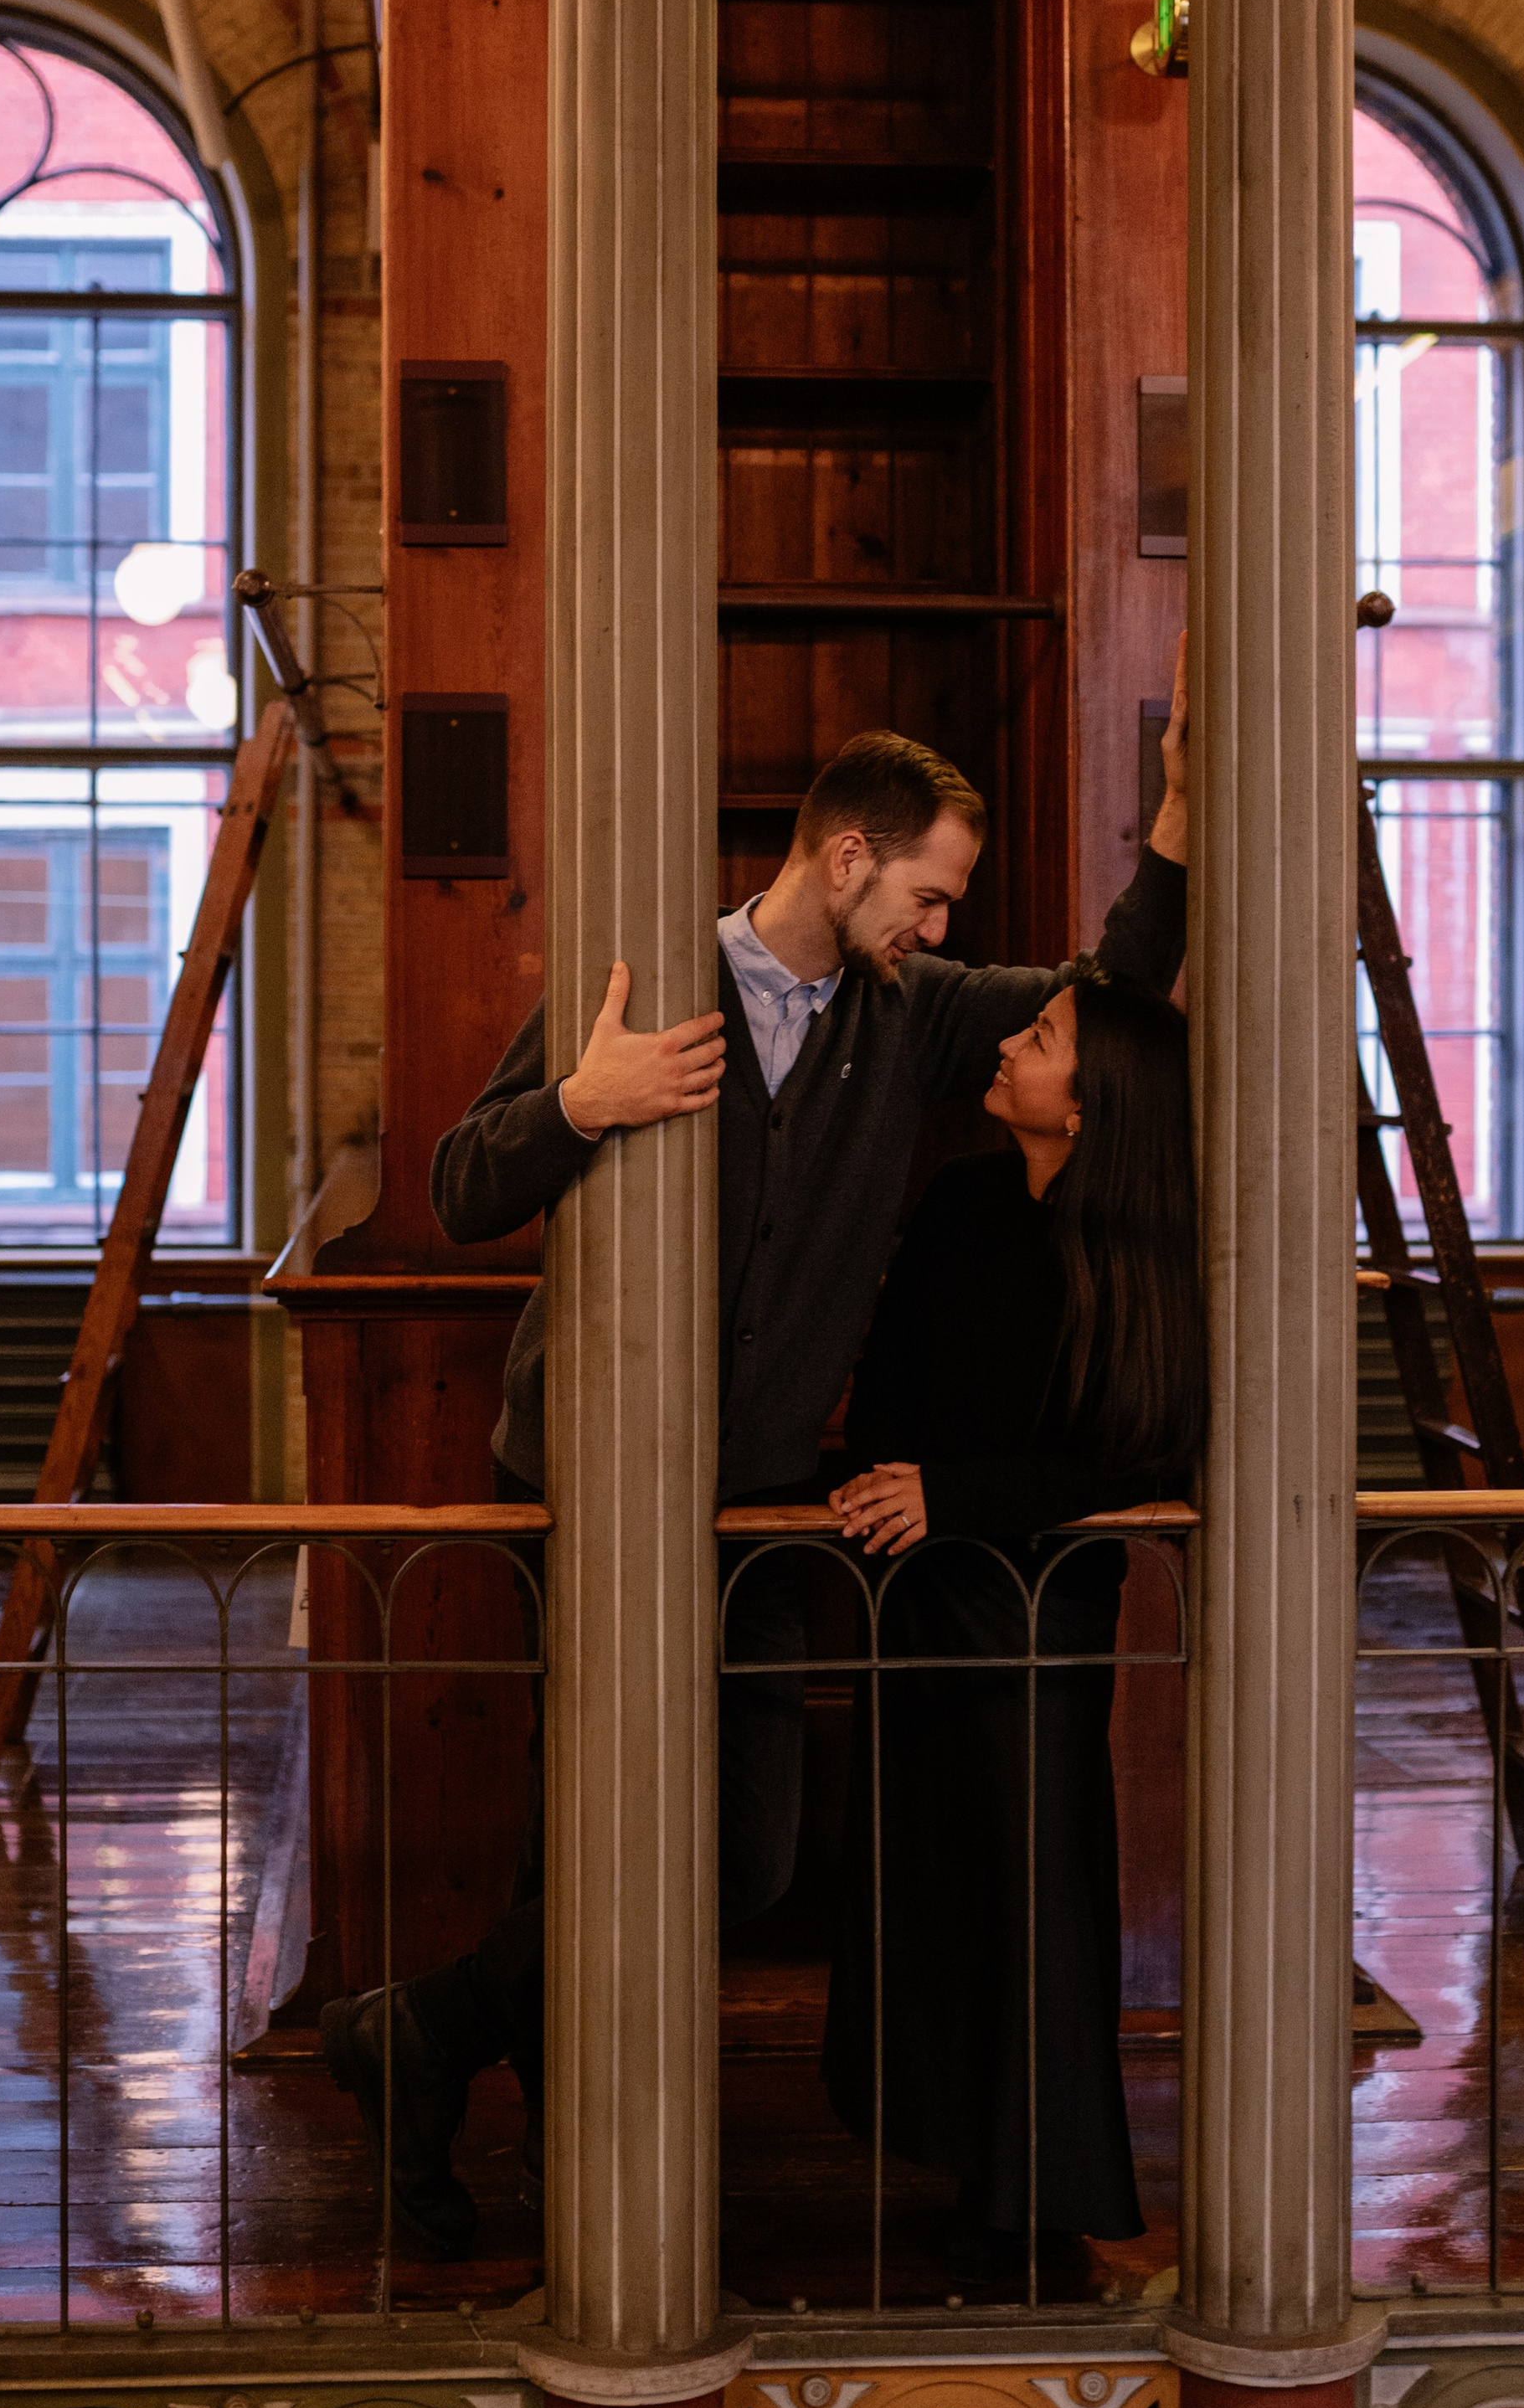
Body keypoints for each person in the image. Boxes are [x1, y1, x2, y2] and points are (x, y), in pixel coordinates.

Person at [320, 659, 1189, 2256]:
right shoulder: (648, 980)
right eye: (931, 892)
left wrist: (1186, 830)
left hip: (754, 1508)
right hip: (585, 1489)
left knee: (741, 1857)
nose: (943, 927)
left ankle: (420, 2033)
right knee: (585, 1839)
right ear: (850, 858)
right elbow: (456, 1183)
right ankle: (544, 2168)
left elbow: (1106, 990)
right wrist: (584, 1099)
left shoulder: (912, 1019)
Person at [825, 967, 1206, 2272]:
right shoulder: (961, 1201)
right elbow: (884, 1397)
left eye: (1038, 1040)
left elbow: (1144, 1453)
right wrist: (904, 1492)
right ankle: (969, 2170)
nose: (1007, 1047)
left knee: (1036, 1892)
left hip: (1042, 1617)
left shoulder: (1149, 1247)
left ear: (1091, 1108)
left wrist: (956, 1495)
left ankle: (1047, 2199)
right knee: (933, 1886)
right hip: (922, 1594)